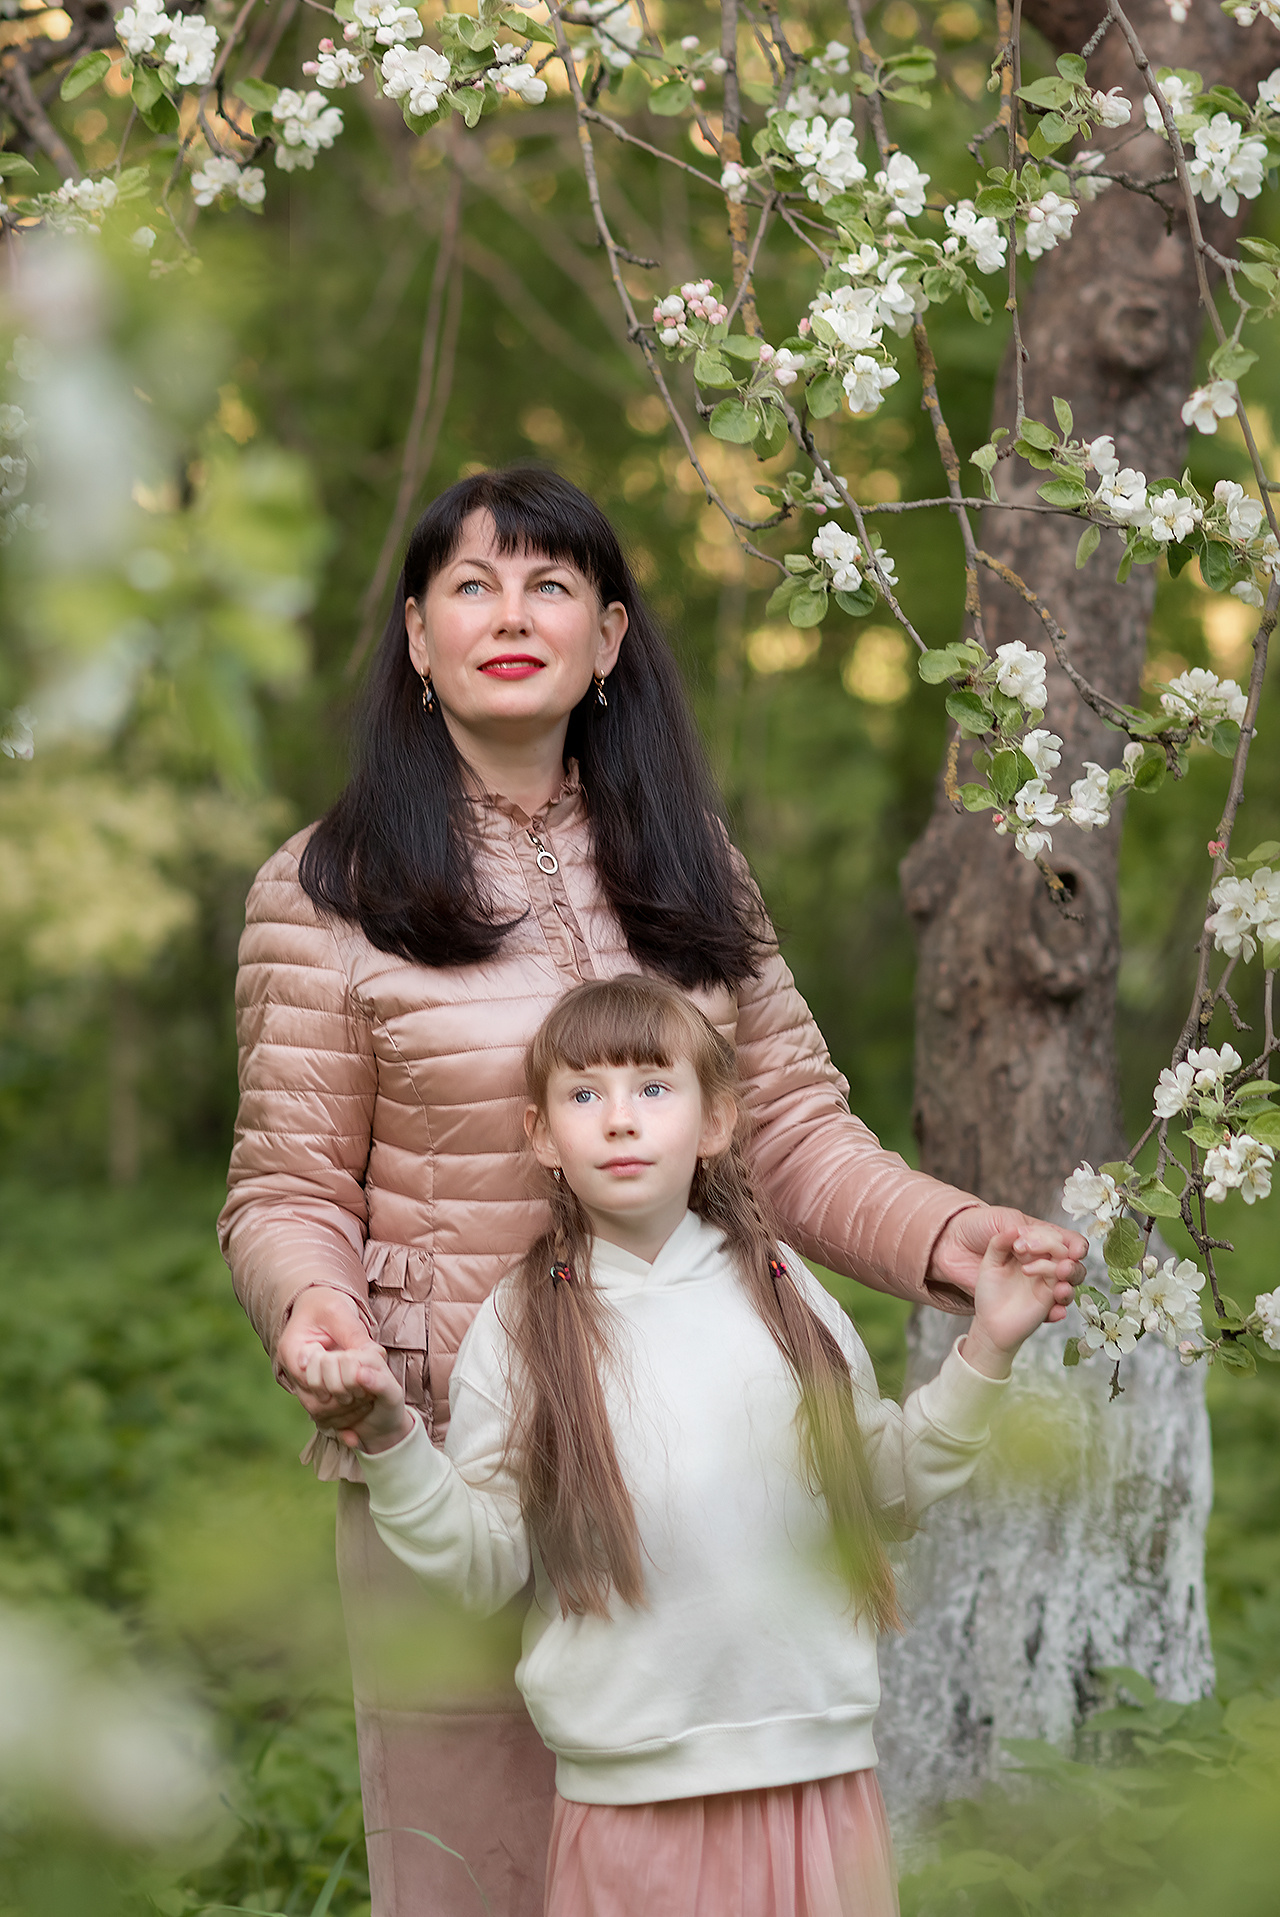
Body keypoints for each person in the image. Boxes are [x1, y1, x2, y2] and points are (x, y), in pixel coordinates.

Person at [218, 466, 1086, 1917]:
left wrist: (953, 1234)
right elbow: (285, 1187)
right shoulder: (326, 888)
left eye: (550, 586)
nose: (511, 616)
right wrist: (317, 1314)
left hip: (709, 1487)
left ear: (609, 636)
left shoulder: (690, 864)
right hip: (455, 1464)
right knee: (480, 1878)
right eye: (471, 587)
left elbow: (790, 1129)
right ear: (417, 637)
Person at [299, 974, 1078, 1917]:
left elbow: (890, 1486)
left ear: (716, 1120)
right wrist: (391, 1442)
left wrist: (989, 1344)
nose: (620, 1118)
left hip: (818, 1782)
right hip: (632, 1802)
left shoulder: (782, 1290)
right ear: (542, 1135)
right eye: (584, 1093)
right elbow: (481, 1564)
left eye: (653, 1086)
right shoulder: (522, 1324)